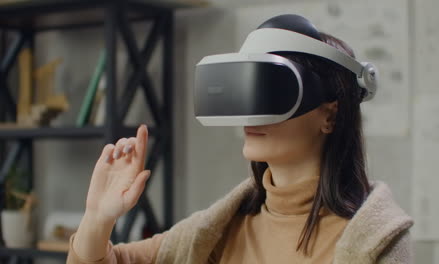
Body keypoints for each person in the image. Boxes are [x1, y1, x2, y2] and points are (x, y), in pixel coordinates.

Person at [66, 14, 413, 264]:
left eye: (271, 92)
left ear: (330, 114)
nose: (252, 115)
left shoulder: (377, 242)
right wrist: (97, 218)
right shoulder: (215, 232)